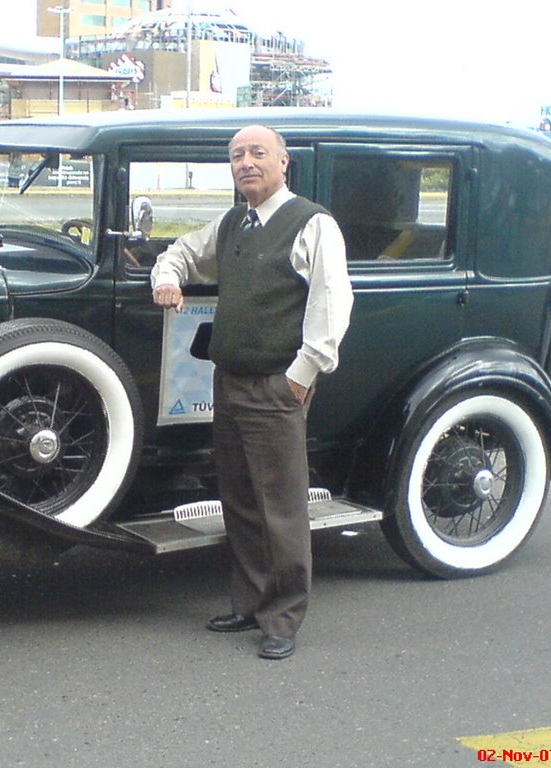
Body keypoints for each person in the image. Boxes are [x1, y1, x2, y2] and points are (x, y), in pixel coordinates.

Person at [150, 125, 353, 660]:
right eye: (237, 155)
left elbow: (332, 304)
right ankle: (250, 602)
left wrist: (300, 376)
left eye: (258, 153)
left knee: (281, 507)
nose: (246, 163)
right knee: (238, 500)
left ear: (283, 163)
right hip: (230, 381)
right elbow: (180, 254)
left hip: (275, 386)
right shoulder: (234, 223)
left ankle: (283, 619)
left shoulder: (311, 223)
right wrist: (165, 279)